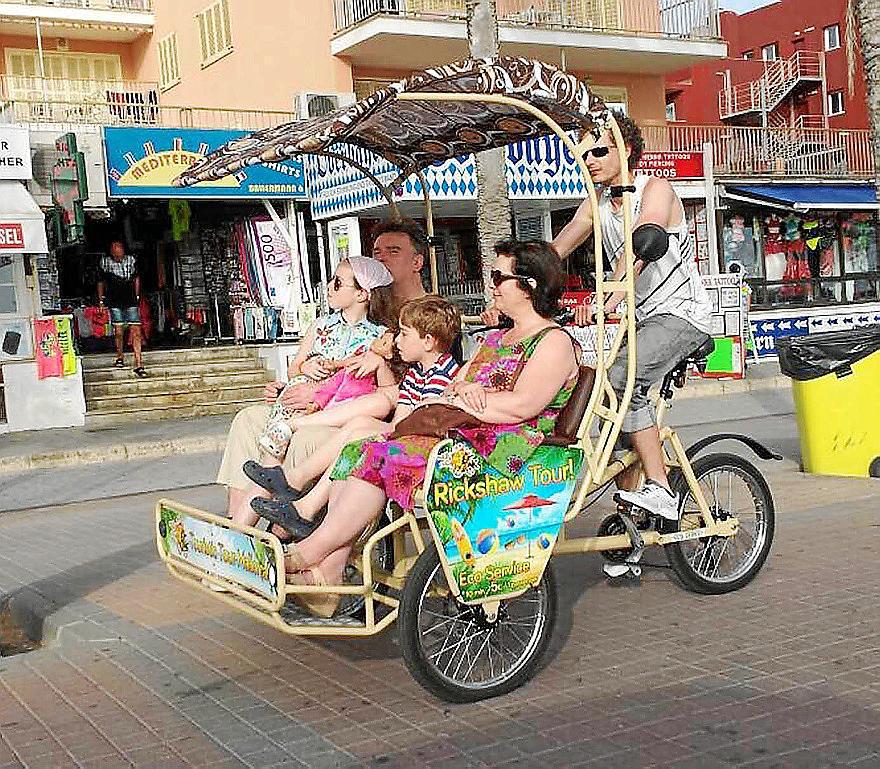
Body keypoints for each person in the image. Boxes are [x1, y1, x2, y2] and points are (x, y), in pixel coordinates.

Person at [277, 241, 580, 617]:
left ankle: (309, 555)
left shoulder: (553, 342)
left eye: (500, 277)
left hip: (504, 449)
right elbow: (454, 387)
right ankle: (328, 569)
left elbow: (524, 404)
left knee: (379, 457)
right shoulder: (497, 338)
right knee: (361, 449)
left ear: (529, 285)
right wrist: (462, 395)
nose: (492, 285)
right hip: (461, 434)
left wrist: (467, 397)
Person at [550, 112, 712, 522]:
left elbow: (643, 241)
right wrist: (516, 283)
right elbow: (557, 249)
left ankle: (659, 488)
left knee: (620, 381)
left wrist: (609, 295)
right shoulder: (597, 204)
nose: (590, 160)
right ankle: (633, 516)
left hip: (681, 314)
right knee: (594, 395)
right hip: (639, 321)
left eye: (600, 151)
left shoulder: (655, 189)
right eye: (583, 154)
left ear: (627, 150)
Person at [216, 218, 431, 519]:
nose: (381, 258)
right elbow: (310, 361)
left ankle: (283, 523)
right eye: (376, 252)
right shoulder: (351, 316)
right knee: (247, 420)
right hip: (321, 401)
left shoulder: (426, 315)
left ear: (417, 261)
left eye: (392, 252)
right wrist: (294, 382)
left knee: (305, 437)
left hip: (359, 411)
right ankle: (236, 521)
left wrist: (325, 388)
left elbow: (410, 383)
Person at [243, 295, 463, 540]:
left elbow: (411, 424)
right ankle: (298, 489)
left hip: (422, 448)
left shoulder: (444, 375)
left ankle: (301, 495)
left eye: (404, 334)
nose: (397, 341)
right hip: (407, 436)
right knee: (359, 426)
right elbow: (399, 422)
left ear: (428, 342)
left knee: (362, 431)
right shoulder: (417, 373)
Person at [97, 240, 145, 377]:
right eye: (115, 251)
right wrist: (101, 300)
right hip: (114, 300)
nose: (117, 254)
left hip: (130, 299)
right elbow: (100, 281)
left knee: (136, 330)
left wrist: (136, 296)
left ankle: (139, 362)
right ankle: (120, 355)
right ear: (111, 251)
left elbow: (136, 278)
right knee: (118, 331)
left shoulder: (131, 260)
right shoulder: (105, 263)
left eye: (119, 250)